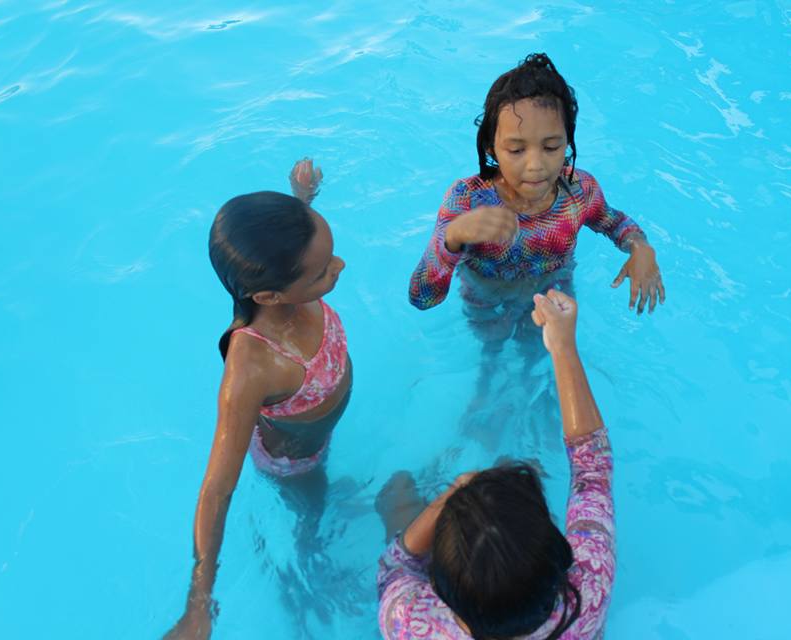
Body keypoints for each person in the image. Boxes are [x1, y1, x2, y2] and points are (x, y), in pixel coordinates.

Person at [165, 160, 350, 639]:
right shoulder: (251, 367)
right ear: (269, 296)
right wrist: (199, 601)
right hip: (298, 458)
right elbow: (216, 490)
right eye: (322, 273)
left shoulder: (291, 269)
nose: (339, 266)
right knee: (312, 506)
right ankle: (303, 570)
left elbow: (300, 249)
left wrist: (301, 199)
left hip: (317, 428)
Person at [378, 289, 615, 639]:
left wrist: (458, 490)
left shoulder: (411, 622)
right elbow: (592, 469)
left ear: (439, 593)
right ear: (561, 558)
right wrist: (563, 347)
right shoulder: (590, 591)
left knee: (396, 491)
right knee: (516, 473)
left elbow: (396, 567)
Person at [409, 52, 665, 328]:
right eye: (516, 150)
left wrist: (641, 247)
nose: (536, 165)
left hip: (551, 296)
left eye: (551, 147)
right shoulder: (467, 200)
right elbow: (422, 298)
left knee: (541, 347)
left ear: (568, 141)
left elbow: (615, 223)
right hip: (485, 299)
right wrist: (453, 238)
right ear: (491, 148)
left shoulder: (579, 192)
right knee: (491, 344)